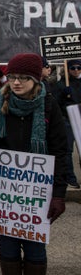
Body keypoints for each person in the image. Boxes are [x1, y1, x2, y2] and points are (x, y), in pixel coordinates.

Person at [0, 53, 67, 275]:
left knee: (35, 249)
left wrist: (59, 193)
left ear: (36, 80)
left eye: (23, 78)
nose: (17, 83)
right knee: (7, 247)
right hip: (6, 190)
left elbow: (60, 149)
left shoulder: (49, 106)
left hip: (38, 192)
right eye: (13, 77)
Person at [53, 58, 81, 189]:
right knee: (67, 150)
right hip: (67, 119)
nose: (76, 71)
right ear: (68, 69)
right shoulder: (61, 84)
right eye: (73, 68)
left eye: (78, 68)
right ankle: (70, 178)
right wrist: (64, 94)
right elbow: (55, 102)